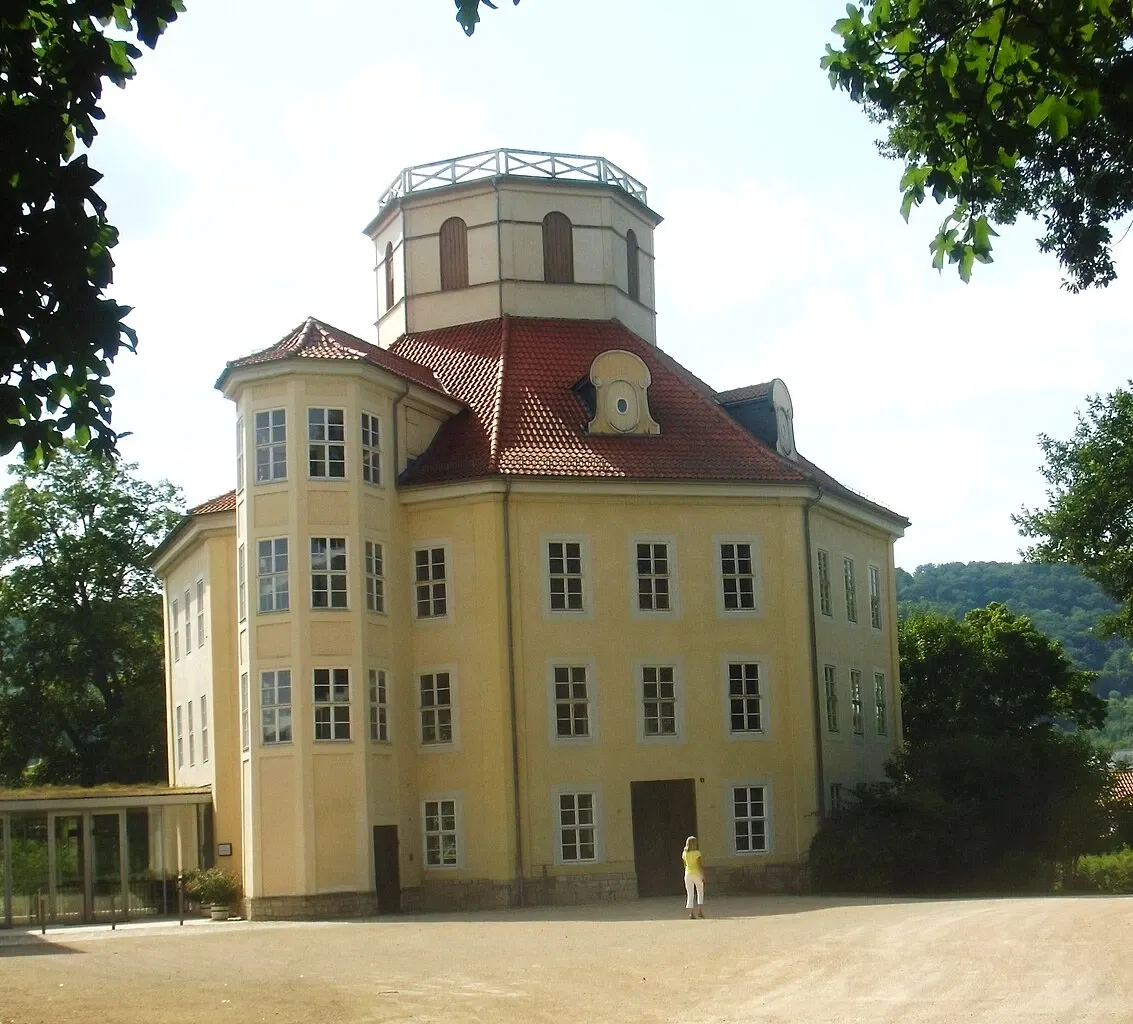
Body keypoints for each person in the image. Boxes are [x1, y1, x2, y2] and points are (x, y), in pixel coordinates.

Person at [682, 835, 705, 919]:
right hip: (696, 874)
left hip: (688, 874)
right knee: (700, 892)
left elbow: (685, 865)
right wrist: (702, 874)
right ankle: (700, 911)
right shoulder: (697, 853)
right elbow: (699, 865)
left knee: (690, 893)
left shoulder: (684, 853)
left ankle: (691, 913)